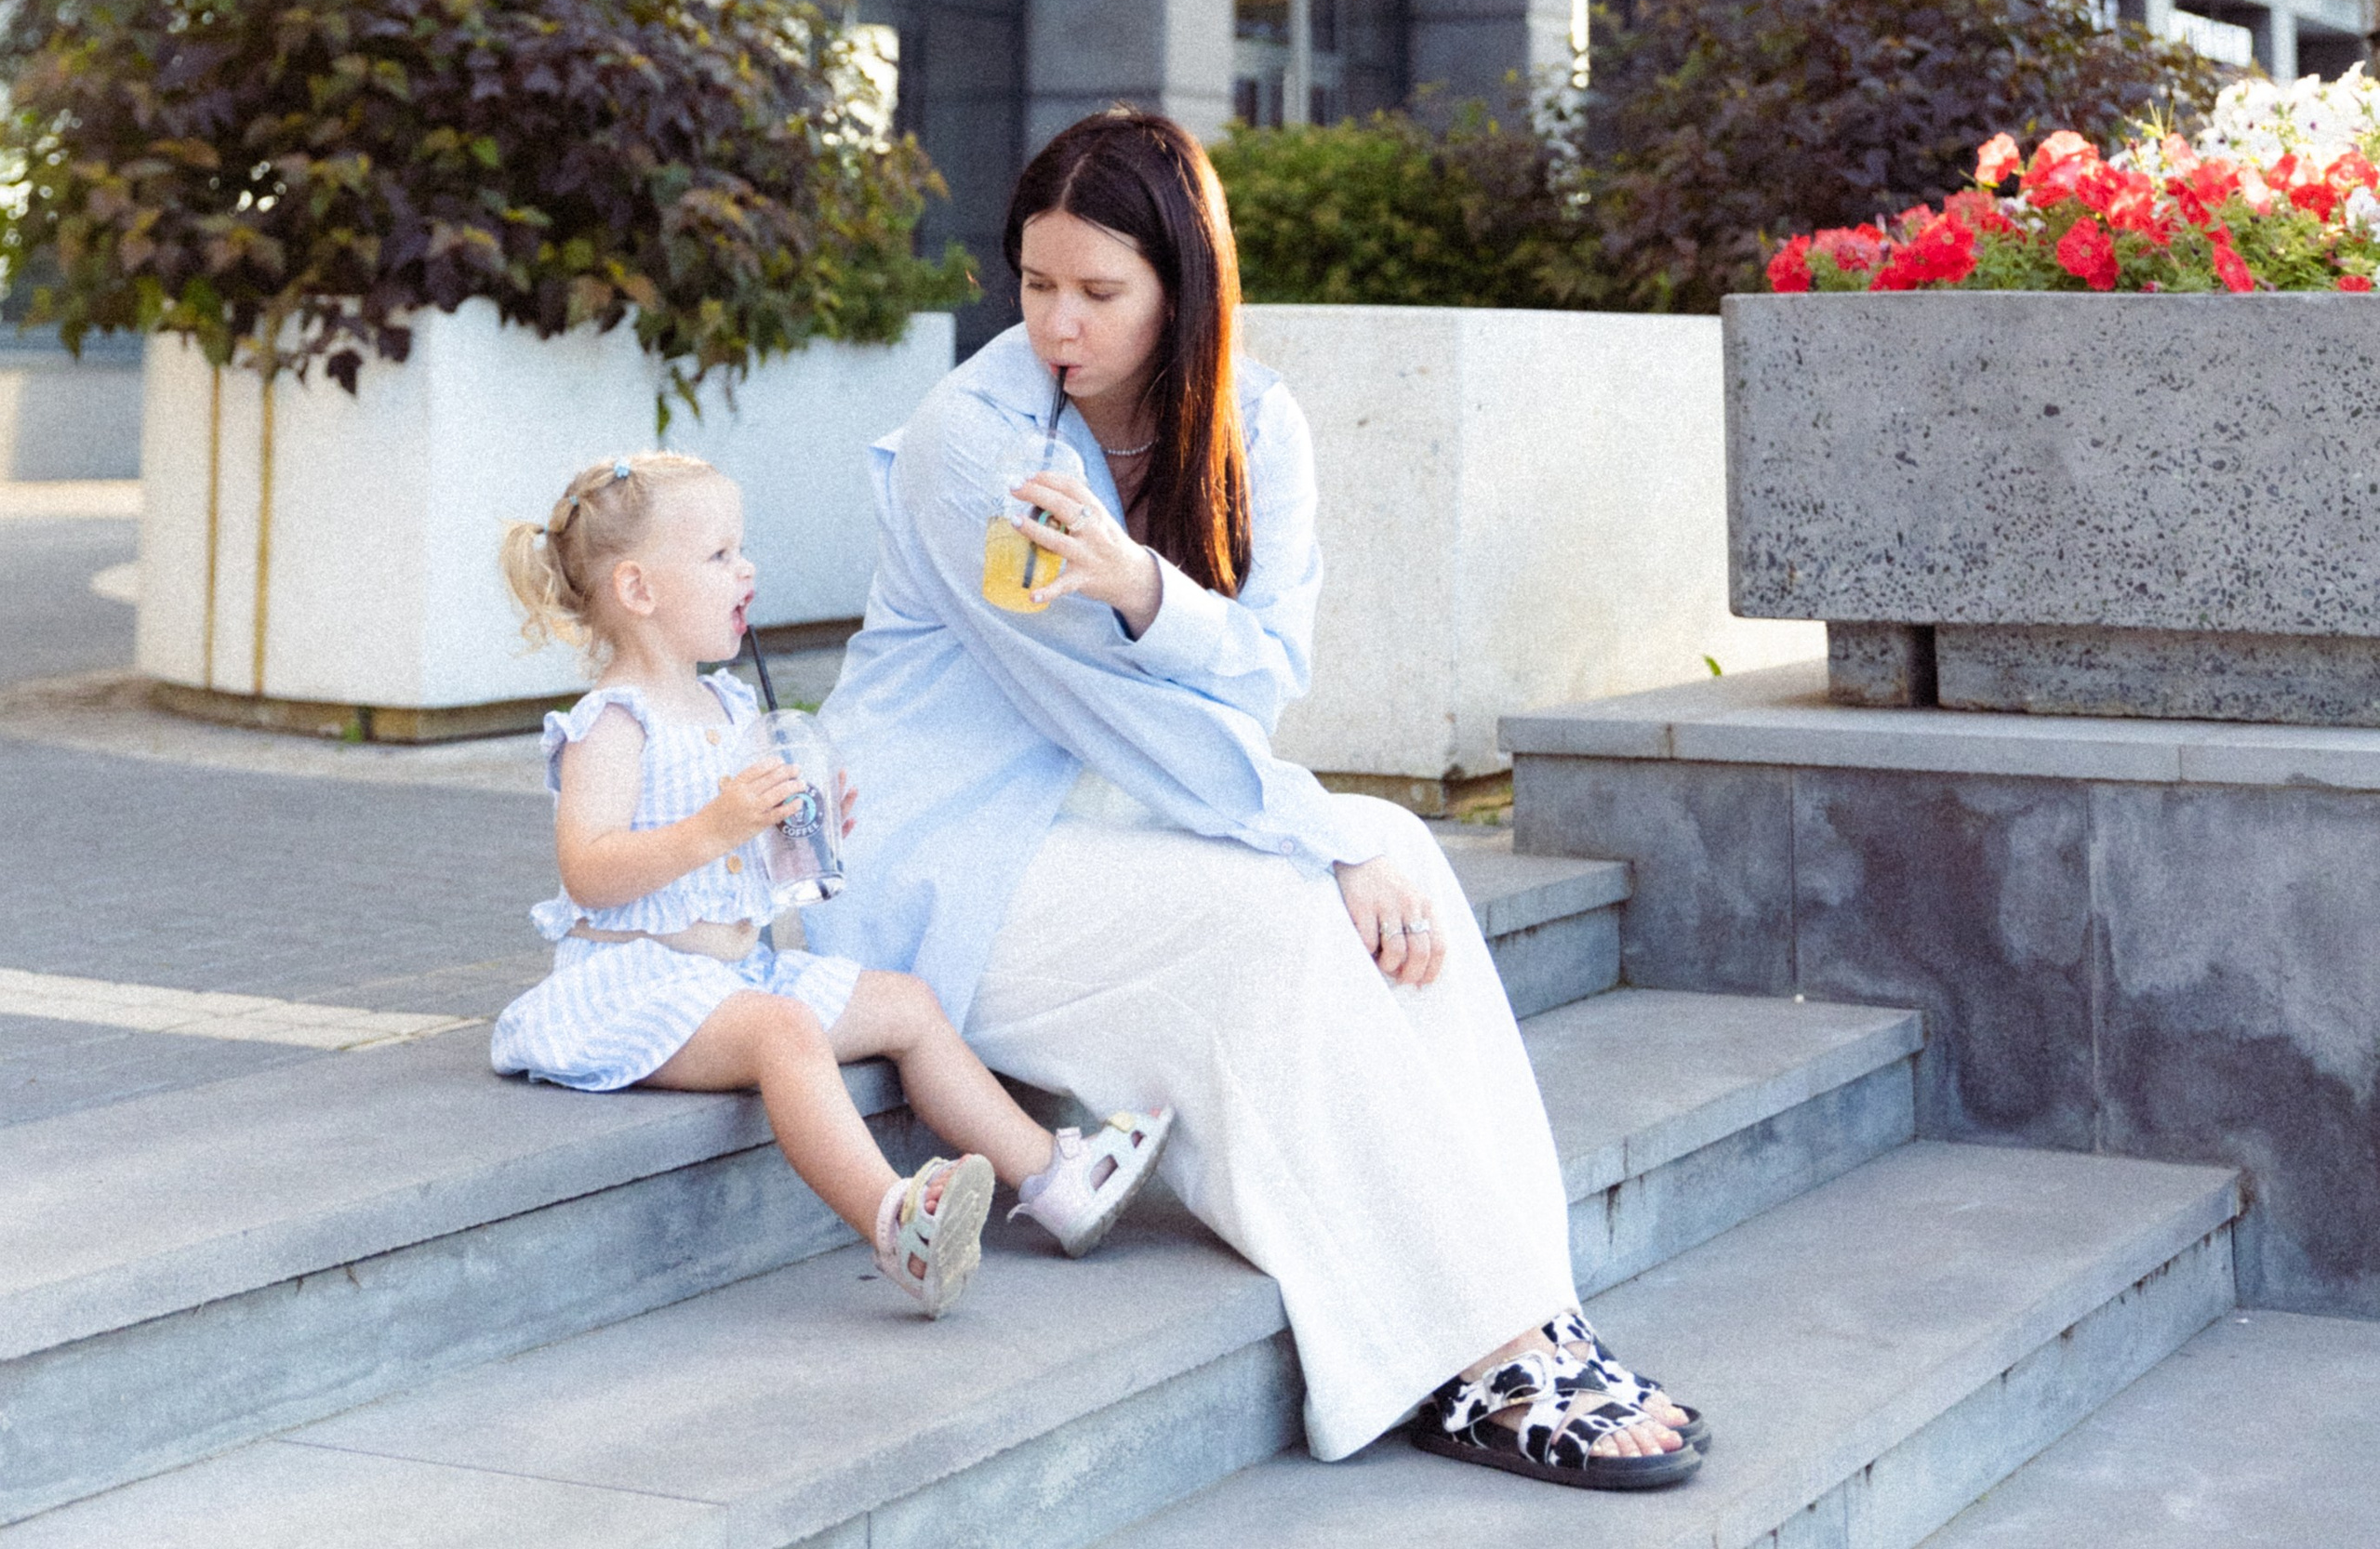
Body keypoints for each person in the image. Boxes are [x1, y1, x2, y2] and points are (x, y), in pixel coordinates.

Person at [805, 108, 1708, 1489]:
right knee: (1286, 917)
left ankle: (1530, 1314)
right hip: (946, 854)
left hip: (1104, 814)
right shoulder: (973, 449)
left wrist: (1145, 589)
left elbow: (1262, 679)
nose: (1060, 325)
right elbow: (1100, 709)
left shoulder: (1254, 423)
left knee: (1401, 846)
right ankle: (1456, 1351)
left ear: (1184, 286)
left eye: (1100, 292)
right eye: (1038, 285)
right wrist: (1315, 828)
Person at [489, 446, 1173, 1317]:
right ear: (638, 590)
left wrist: (808, 825)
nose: (749, 569)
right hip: (634, 983)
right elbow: (587, 868)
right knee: (785, 1033)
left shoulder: (734, 708)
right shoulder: (612, 723)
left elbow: (746, 866)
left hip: (732, 974)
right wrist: (714, 827)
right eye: (720, 555)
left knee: (908, 1005)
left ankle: (1051, 1174)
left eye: (741, 548)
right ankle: (895, 1224)